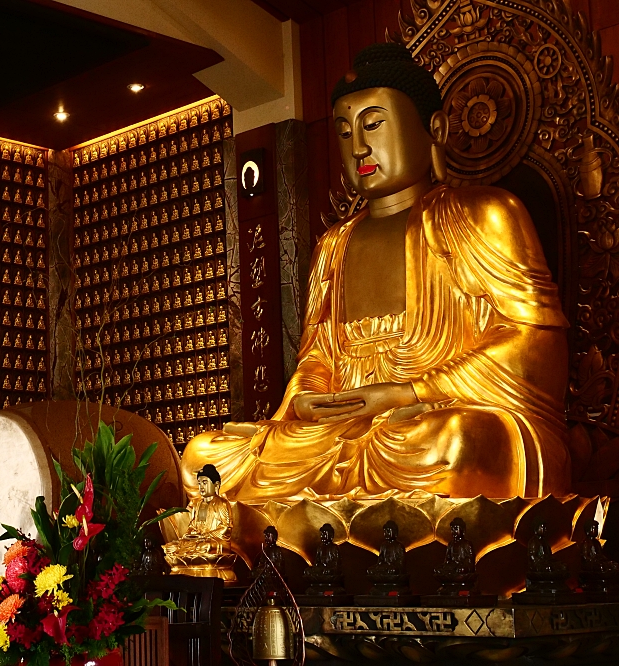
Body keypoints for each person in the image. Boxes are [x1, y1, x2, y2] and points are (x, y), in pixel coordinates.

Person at [181, 42, 569, 502]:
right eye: (344, 132)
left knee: (454, 441)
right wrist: (307, 398)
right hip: (339, 433)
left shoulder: (484, 214)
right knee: (205, 457)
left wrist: (409, 392)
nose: (358, 146)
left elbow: (538, 346)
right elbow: (318, 355)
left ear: (435, 128)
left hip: (426, 422)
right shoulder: (333, 246)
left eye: (373, 124)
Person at [162, 464, 233, 566]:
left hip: (215, 542)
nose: (201, 487)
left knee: (205, 547)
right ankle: (186, 554)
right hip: (197, 540)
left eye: (205, 483)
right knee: (173, 546)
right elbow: (192, 526)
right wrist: (191, 534)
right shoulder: (198, 505)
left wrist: (206, 536)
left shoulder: (222, 503)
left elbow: (227, 528)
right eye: (199, 483)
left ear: (216, 485)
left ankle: (190, 556)